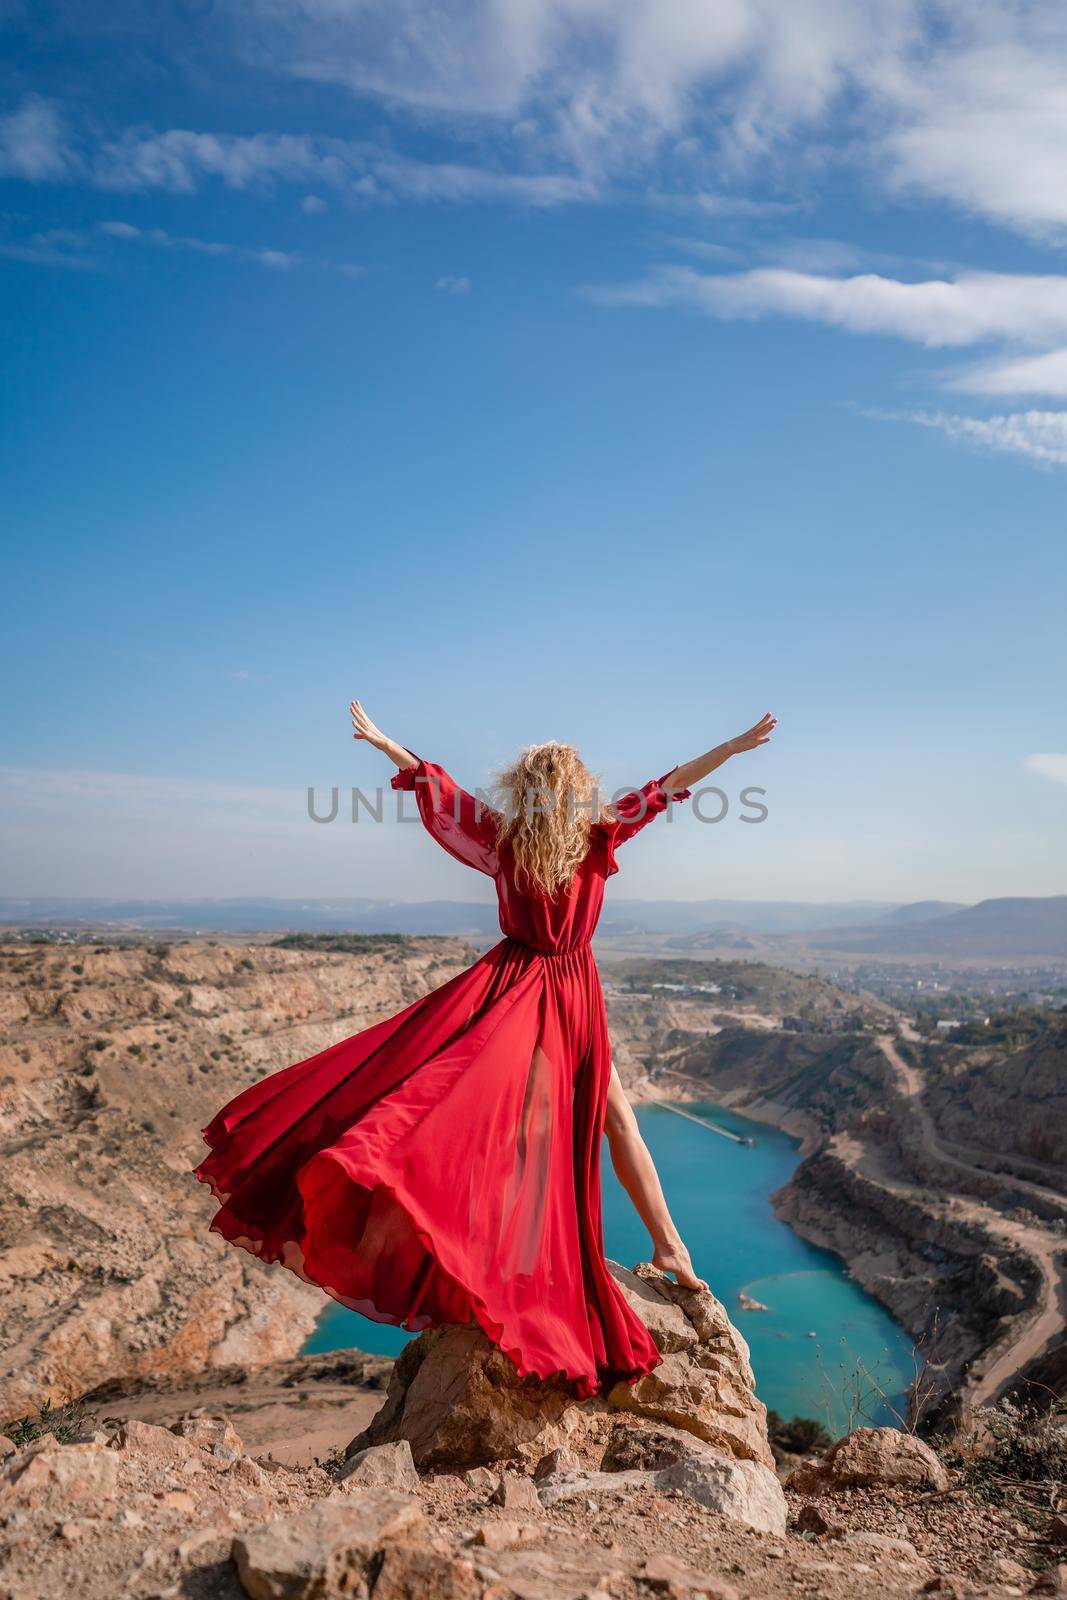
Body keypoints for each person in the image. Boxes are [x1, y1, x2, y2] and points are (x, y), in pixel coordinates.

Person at [196, 706, 776, 1396]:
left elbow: (432, 785)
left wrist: (388, 745)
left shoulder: (504, 840)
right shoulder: (599, 833)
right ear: (577, 790)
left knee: (497, 1122)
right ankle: (665, 1246)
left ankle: (541, 1252)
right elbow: (672, 781)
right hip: (556, 991)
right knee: (602, 1122)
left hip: (521, 991)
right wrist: (732, 749)